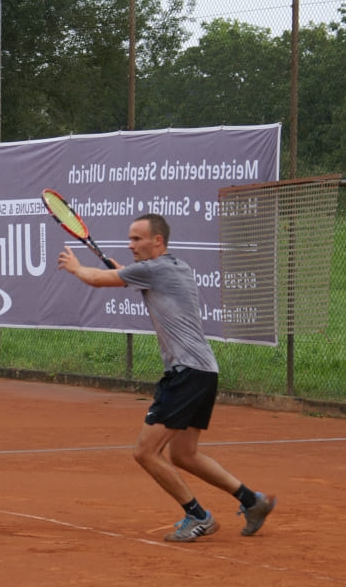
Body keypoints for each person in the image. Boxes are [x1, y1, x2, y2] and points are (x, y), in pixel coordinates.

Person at [56, 213, 275, 542]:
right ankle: (252, 501)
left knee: (145, 452)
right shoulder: (177, 266)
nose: (131, 245)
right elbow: (127, 275)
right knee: (183, 455)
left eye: (138, 239)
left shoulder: (153, 270)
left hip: (186, 373)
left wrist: (76, 269)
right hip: (204, 371)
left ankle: (197, 515)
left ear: (158, 240)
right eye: (130, 239)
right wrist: (122, 272)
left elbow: (97, 278)